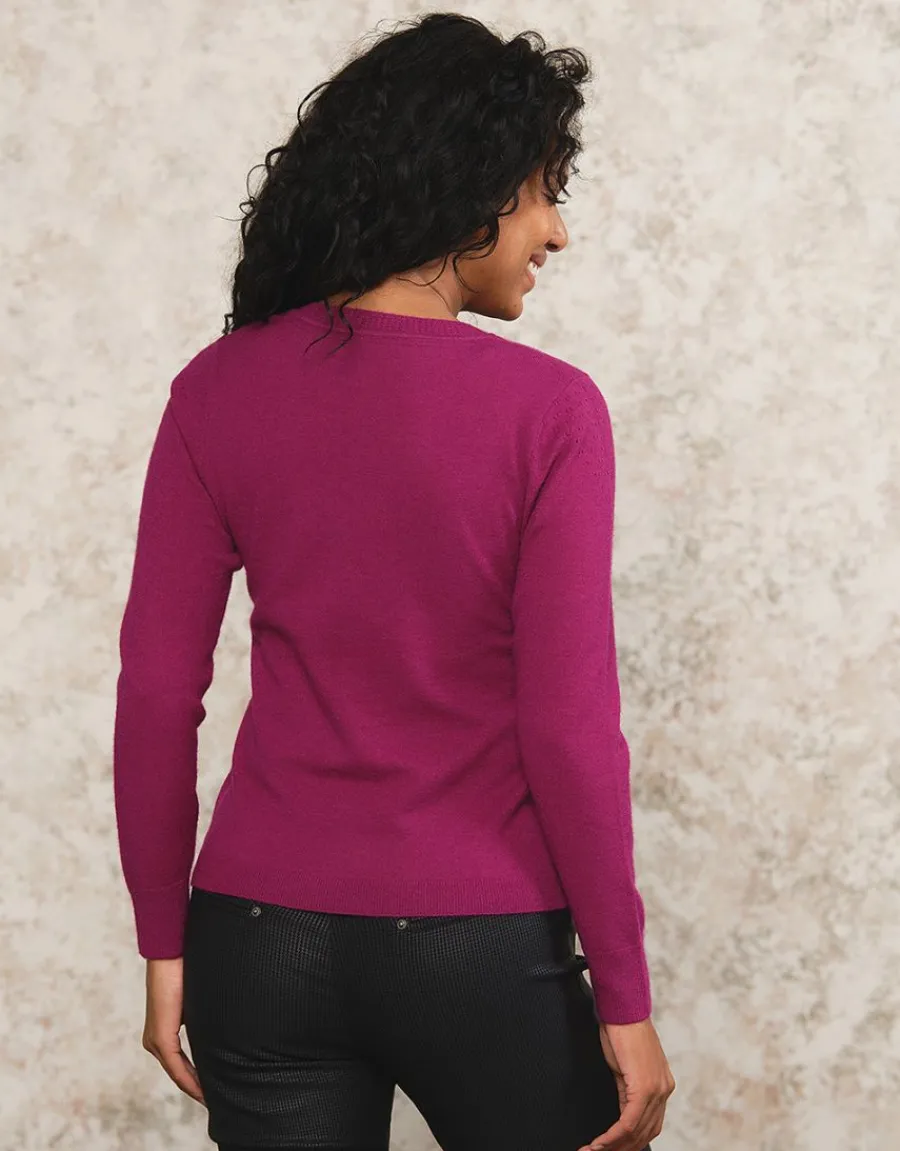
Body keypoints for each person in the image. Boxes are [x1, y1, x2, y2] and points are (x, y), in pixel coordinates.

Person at [113, 12, 676, 1151]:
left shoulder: (216, 390)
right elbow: (569, 727)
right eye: (540, 191)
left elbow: (157, 691)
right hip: (481, 942)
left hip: (259, 942)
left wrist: (165, 940)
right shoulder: (551, 413)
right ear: (467, 190)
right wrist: (624, 993)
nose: (555, 230)